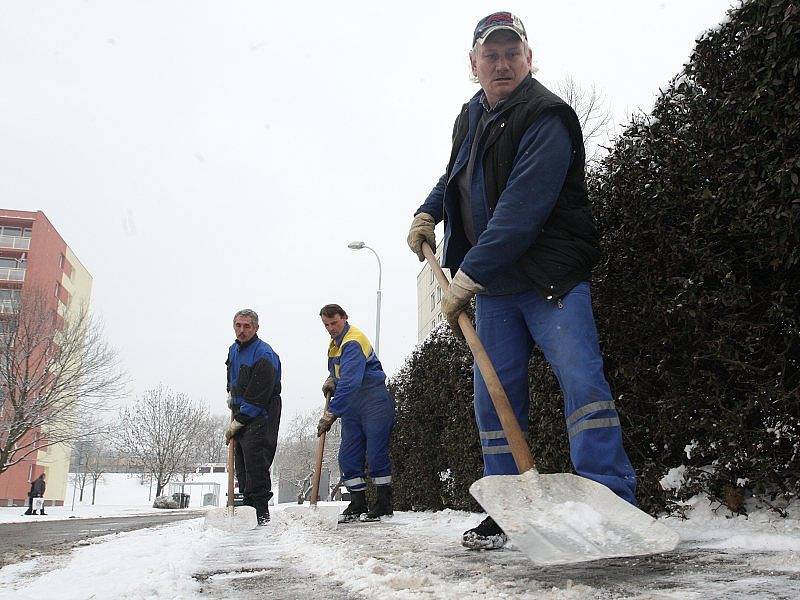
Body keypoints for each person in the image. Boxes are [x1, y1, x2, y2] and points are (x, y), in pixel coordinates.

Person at [407, 11, 637, 550]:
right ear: (473, 65)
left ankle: (609, 496)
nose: (502, 63)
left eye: (513, 53)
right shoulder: (471, 116)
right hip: (496, 290)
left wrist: (467, 275)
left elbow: (520, 210)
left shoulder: (548, 116)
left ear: (529, 59)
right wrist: (428, 211)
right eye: (491, 55)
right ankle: (508, 505)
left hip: (549, 277)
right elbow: (455, 175)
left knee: (581, 380)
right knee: (494, 397)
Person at [317, 304, 395, 523]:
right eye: (326, 325)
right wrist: (332, 379)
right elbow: (338, 373)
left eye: (334, 323)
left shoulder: (353, 340)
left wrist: (331, 413)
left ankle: (383, 503)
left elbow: (351, 381)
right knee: (348, 455)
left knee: (375, 452)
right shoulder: (334, 345)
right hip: (353, 405)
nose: (331, 328)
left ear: (344, 318)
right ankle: (358, 502)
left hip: (373, 399)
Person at [225, 308, 282, 525]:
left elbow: (259, 394)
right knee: (241, 463)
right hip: (241, 410)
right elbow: (233, 379)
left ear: (256, 328)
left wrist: (239, 421)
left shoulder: (264, 354)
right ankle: (247, 509)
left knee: (255, 460)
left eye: (247, 326)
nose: (242, 330)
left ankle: (261, 512)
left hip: (262, 411)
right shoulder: (233, 350)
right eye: (238, 325)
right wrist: (232, 397)